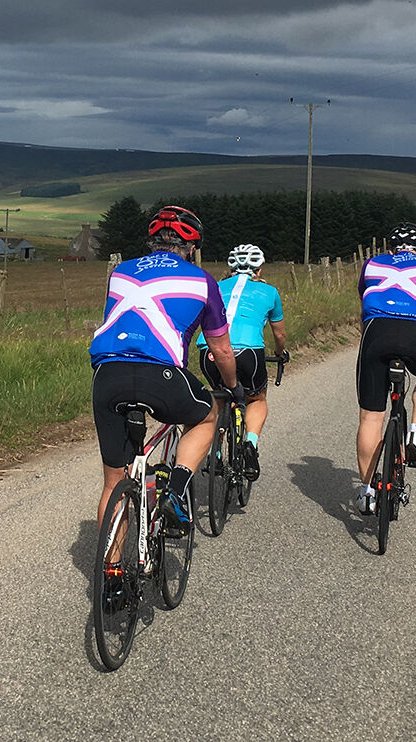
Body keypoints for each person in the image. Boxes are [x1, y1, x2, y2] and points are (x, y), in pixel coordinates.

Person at [90, 206, 244, 546]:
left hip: (107, 375)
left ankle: (112, 581)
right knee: (207, 416)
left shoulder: (120, 272)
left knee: (115, 481)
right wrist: (234, 387)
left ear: (152, 241)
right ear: (191, 247)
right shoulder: (202, 281)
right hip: (160, 375)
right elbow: (221, 351)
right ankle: (174, 489)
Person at [354, 222, 416, 514]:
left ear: (390, 249)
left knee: (371, 417)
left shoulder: (371, 265)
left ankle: (368, 491)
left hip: (377, 332)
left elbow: (365, 306)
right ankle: (415, 433)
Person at [196, 243, 287, 480]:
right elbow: (279, 334)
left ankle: (215, 452)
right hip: (248, 352)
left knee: (219, 395)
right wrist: (280, 353)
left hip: (209, 349)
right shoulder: (270, 292)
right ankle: (250, 443)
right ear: (259, 269)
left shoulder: (215, 286)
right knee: (256, 398)